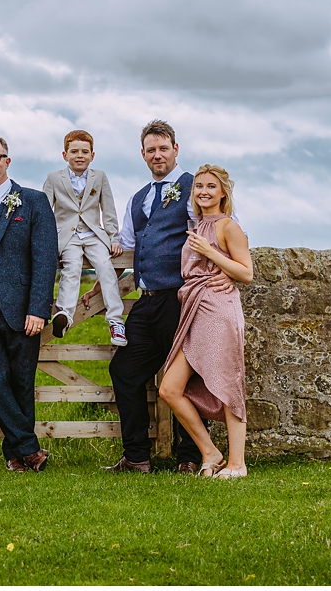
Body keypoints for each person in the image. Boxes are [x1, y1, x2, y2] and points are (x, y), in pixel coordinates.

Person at [100, 119, 237, 475]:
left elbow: (223, 227)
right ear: (142, 155)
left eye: (163, 148)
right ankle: (137, 456)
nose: (157, 155)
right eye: (151, 150)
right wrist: (99, 286)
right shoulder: (138, 198)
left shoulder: (194, 187)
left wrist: (224, 270)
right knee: (124, 370)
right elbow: (127, 245)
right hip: (147, 300)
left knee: (188, 379)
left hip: (183, 299)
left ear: (176, 149)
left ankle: (190, 457)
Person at [0, 133, 59, 472]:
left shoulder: (33, 202)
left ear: (7, 161)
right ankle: (30, 448)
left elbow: (45, 259)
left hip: (23, 310)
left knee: (21, 382)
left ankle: (16, 456)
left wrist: (38, 308)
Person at [159, 165, 252, 479]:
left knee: (227, 384)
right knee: (169, 388)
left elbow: (246, 273)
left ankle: (237, 464)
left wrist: (211, 255)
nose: (203, 192)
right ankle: (210, 452)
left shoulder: (227, 226)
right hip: (195, 309)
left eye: (211, 187)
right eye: (198, 186)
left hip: (220, 310)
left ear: (223, 192)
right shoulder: (197, 226)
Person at [42, 129, 125, 346]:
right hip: (67, 237)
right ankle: (65, 314)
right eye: (74, 151)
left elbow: (108, 210)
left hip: (93, 234)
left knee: (106, 268)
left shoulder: (100, 177)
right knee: (71, 269)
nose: (80, 155)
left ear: (92, 155)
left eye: (85, 152)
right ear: (65, 155)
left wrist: (114, 238)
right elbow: (44, 213)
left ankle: (116, 320)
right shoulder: (53, 178)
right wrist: (46, 242)